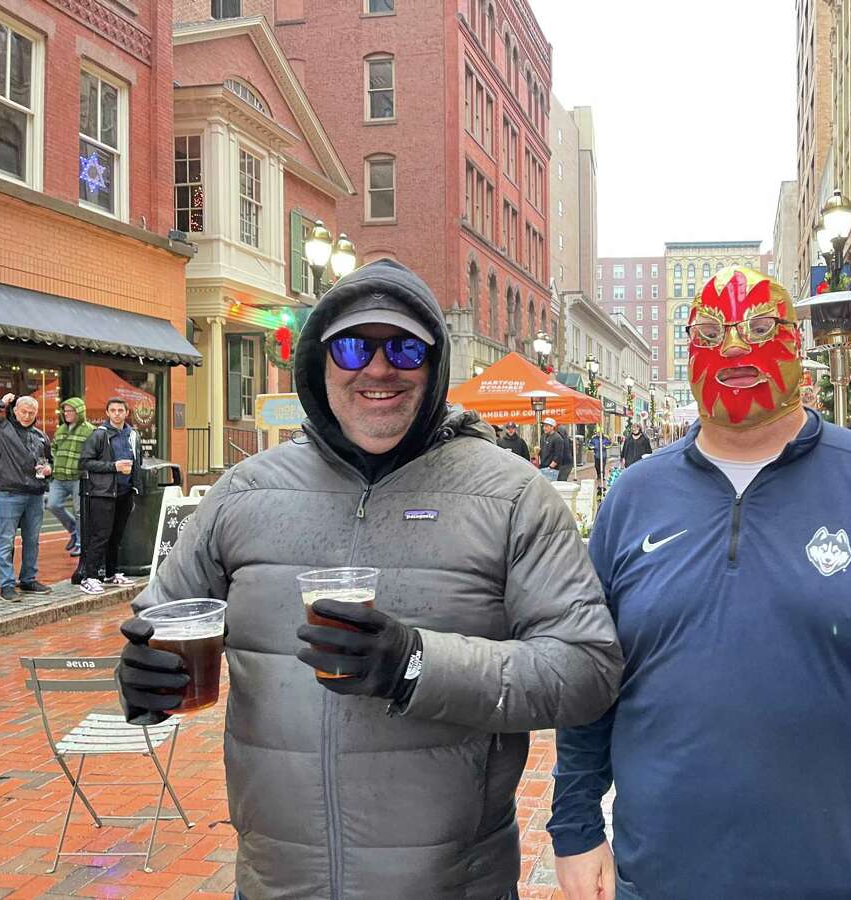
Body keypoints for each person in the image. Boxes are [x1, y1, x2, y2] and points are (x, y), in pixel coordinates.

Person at [116, 259, 622, 900]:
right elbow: (160, 622)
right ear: (318, 363)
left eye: (406, 348)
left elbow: (586, 671)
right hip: (276, 885)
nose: (379, 369)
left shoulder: (514, 496)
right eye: (353, 346)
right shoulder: (242, 492)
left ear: (434, 367)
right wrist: (138, 678)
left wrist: (416, 665)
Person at [549, 267, 851, 900]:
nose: (736, 348)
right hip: (664, 881)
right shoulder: (632, 500)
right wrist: (576, 826)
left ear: (795, 343)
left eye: (760, 327)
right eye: (712, 332)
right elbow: (590, 679)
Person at [0, 394, 53, 601]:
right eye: (23, 411)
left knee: (32, 540)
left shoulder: (41, 436)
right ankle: (7, 586)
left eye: (32, 412)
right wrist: (1, 402)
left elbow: (50, 462)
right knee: (6, 540)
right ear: (15, 410)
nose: (27, 416)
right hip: (9, 493)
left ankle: (28, 579)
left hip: (35, 494)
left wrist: (48, 470)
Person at [78, 398, 142, 595]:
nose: (116, 413)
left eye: (120, 410)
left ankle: (111, 573)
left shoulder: (133, 434)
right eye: (112, 410)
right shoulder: (99, 435)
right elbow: (85, 462)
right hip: (102, 493)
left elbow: (137, 462)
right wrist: (113, 467)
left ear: (126, 412)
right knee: (100, 536)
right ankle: (89, 577)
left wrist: (135, 488)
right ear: (107, 413)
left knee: (116, 536)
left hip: (124, 493)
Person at [49, 397, 95, 557]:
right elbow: (53, 448)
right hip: (59, 477)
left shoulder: (89, 430)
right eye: (65, 410)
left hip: (78, 477)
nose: (66, 413)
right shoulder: (61, 429)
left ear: (79, 412)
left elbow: (94, 452)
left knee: (80, 511)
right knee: (52, 505)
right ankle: (74, 531)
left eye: (70, 411)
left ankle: (81, 544)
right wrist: (55, 463)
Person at [539, 416, 564, 481]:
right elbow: (541, 452)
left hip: (552, 469)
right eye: (544, 426)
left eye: (547, 426)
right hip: (543, 467)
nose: (544, 428)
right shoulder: (543, 437)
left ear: (552, 427)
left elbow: (558, 456)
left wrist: (550, 467)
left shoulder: (557, 438)